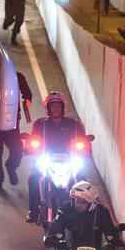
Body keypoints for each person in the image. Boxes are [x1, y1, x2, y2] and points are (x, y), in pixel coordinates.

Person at [27, 92, 86, 223]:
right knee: (33, 179)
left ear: (63, 108)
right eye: (52, 106)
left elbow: (83, 142)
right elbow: (32, 141)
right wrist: (31, 145)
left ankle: (85, 210)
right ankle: (33, 211)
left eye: (58, 106)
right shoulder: (40, 124)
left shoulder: (74, 124)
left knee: (83, 180)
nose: (55, 109)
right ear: (48, 108)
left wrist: (84, 145)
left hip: (69, 159)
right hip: (46, 159)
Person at [0, 71, 33, 190]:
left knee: (17, 149)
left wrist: (26, 102)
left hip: (12, 122)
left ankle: (11, 166)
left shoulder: (17, 77)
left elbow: (28, 94)